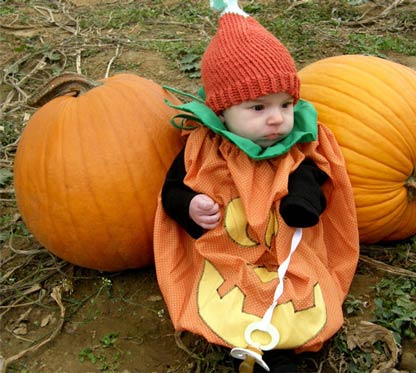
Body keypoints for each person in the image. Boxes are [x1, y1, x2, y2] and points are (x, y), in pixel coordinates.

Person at [153, 1, 359, 372]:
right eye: (258, 108)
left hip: (289, 251)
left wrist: (303, 199)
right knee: (231, 301)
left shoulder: (298, 145)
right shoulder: (201, 150)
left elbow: (313, 177)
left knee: (301, 295)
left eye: (285, 104)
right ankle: (258, 354)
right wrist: (190, 205)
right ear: (221, 111)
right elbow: (171, 191)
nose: (278, 119)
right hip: (228, 253)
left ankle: (284, 354)